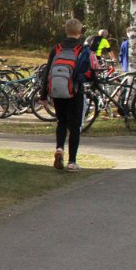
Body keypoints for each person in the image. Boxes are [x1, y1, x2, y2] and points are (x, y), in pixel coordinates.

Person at [40, 18, 95, 171]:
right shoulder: (83, 50)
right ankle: (72, 161)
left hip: (57, 91)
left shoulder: (56, 49)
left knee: (61, 122)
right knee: (75, 126)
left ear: (66, 30)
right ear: (80, 31)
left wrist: (43, 95)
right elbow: (90, 72)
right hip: (75, 91)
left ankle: (59, 148)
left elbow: (47, 72)